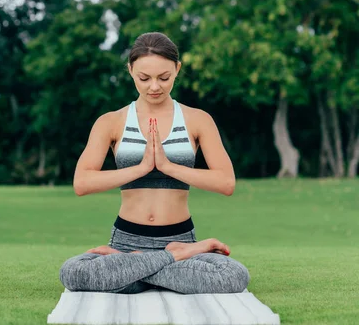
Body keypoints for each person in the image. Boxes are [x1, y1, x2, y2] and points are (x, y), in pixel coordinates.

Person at [59, 32, 250, 295]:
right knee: (74, 272)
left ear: (177, 69)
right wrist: (141, 168)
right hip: (125, 243)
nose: (154, 87)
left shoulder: (198, 120)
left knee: (232, 276)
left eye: (164, 77)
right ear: (130, 70)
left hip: (181, 240)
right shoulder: (111, 122)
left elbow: (226, 182)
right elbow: (82, 183)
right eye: (144, 78)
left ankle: (136, 271)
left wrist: (168, 166)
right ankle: (164, 262)